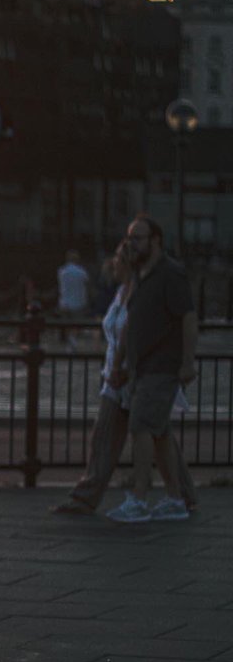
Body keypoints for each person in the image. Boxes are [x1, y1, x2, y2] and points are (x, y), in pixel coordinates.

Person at [51, 241, 195, 516]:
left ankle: (171, 495)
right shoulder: (121, 292)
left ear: (128, 264)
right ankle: (182, 495)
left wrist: (124, 368)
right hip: (117, 376)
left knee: (149, 434)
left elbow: (138, 334)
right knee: (147, 434)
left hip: (133, 375)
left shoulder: (142, 293)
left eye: (118, 258)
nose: (113, 263)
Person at [106, 214, 197, 523]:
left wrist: (187, 362)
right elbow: (131, 324)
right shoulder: (141, 274)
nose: (131, 243)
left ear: (155, 241)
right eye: (130, 238)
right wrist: (120, 364)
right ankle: (175, 499)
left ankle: (140, 499)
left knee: (141, 427)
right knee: (158, 434)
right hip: (142, 368)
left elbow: (187, 317)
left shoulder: (171, 273)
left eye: (138, 238)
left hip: (161, 366)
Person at [56, 248, 91, 349]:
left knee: (67, 323)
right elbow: (87, 285)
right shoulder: (82, 272)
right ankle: (73, 341)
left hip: (64, 302)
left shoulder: (61, 271)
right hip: (78, 302)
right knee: (76, 323)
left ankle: (70, 342)